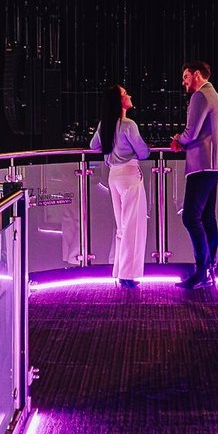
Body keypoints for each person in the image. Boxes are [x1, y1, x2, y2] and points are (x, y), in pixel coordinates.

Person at [171, 60, 218, 289]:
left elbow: (191, 132)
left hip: (202, 165)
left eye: (185, 76)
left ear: (196, 75)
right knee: (207, 218)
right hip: (214, 165)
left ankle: (201, 271)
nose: (183, 82)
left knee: (190, 217)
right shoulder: (215, 96)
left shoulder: (199, 96)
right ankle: (210, 268)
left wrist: (177, 140)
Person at [91, 85, 151, 288]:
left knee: (122, 226)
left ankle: (118, 270)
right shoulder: (128, 125)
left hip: (113, 176)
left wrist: (109, 152)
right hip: (130, 175)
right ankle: (127, 274)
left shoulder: (105, 125)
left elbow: (93, 146)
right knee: (133, 226)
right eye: (125, 94)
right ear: (119, 101)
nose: (129, 95)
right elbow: (143, 152)